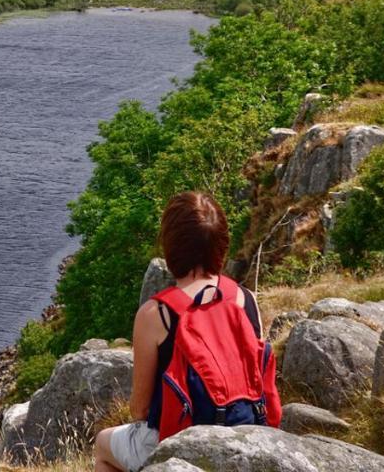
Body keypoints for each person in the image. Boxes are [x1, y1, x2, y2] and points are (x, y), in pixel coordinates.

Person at [93, 192, 281, 472]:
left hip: (180, 440)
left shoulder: (156, 315)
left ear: (172, 246)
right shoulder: (246, 299)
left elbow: (140, 410)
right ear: (221, 245)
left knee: (102, 445)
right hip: (247, 434)